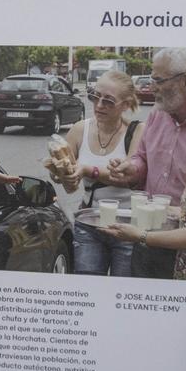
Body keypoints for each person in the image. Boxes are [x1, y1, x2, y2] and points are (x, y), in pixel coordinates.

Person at [101, 48, 186, 282]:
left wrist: (141, 235)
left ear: (183, 79)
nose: (152, 86)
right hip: (150, 238)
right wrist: (131, 168)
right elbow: (142, 158)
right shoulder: (157, 114)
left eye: (158, 80)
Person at [52, 70, 143, 276]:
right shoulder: (78, 130)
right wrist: (62, 174)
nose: (99, 105)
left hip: (127, 226)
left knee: (122, 291)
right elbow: (71, 185)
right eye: (95, 96)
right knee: (88, 288)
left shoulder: (137, 131)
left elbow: (129, 178)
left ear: (126, 105)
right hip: (89, 222)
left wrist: (86, 169)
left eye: (109, 101)